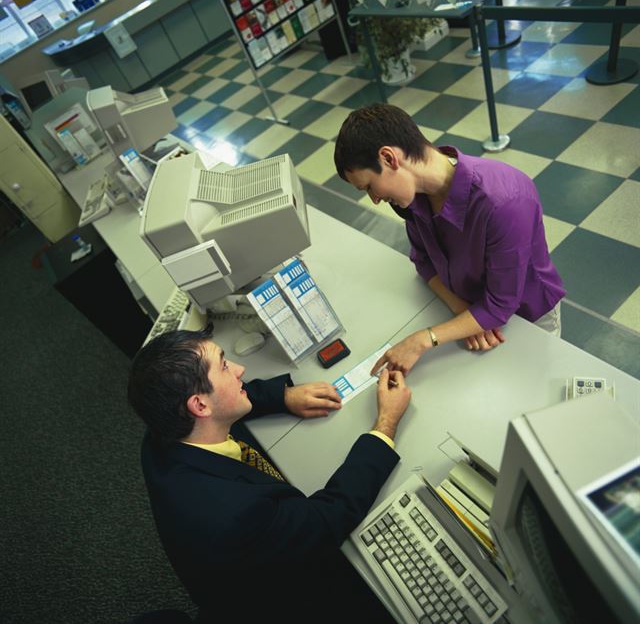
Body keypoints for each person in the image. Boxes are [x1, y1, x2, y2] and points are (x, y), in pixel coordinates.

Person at [127, 324, 411, 622]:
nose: (240, 369)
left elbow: (220, 406)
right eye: (224, 367)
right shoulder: (237, 514)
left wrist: (282, 397)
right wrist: (386, 423)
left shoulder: (161, 437)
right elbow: (329, 517)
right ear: (199, 405)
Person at [334, 104, 566, 377]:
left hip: (526, 317)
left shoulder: (505, 202)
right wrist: (464, 313)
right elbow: (423, 261)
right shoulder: (415, 197)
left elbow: (500, 305)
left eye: (369, 186)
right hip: (473, 316)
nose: (374, 199)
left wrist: (422, 339)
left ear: (389, 158)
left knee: (538, 381)